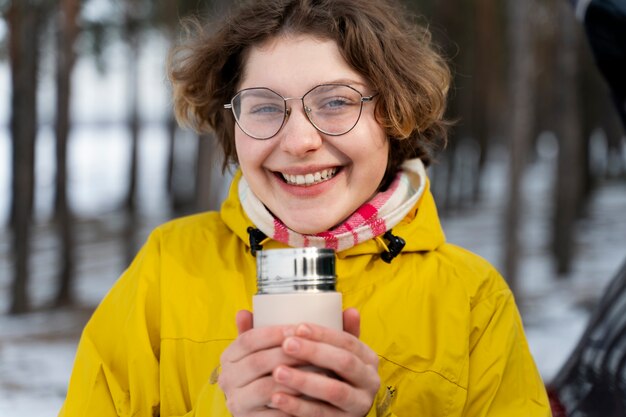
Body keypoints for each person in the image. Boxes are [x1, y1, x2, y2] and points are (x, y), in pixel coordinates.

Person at [59, 0, 551, 415]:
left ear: (393, 112)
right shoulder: (168, 267)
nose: (298, 141)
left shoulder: (472, 300)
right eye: (266, 106)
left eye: (336, 102)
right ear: (233, 124)